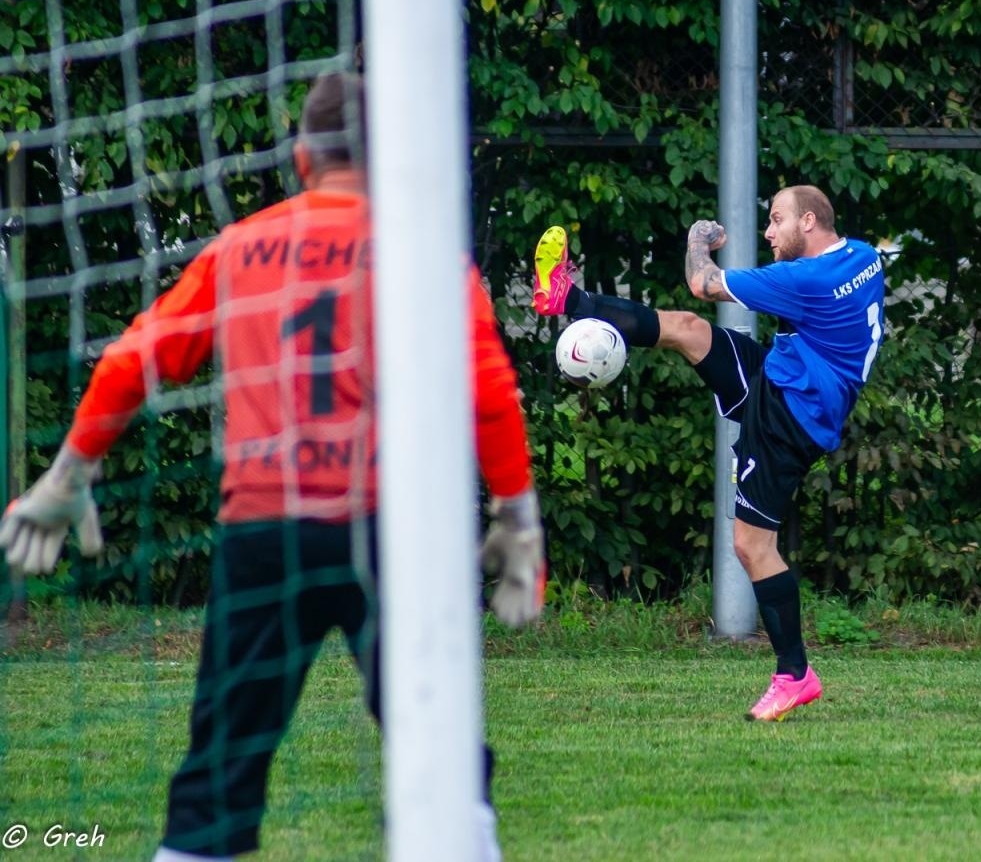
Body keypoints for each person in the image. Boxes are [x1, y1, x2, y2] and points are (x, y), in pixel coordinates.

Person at [0, 73, 546, 860]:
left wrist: (68, 474)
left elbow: (130, 363)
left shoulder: (242, 246)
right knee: (448, 765)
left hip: (265, 529)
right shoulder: (424, 250)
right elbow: (489, 392)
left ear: (300, 158)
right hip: (387, 530)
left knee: (216, 782)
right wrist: (517, 515)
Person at [530, 185, 884, 720]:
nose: (768, 231)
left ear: (809, 222)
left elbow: (703, 282)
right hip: (787, 374)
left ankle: (795, 674)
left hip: (792, 415)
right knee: (689, 332)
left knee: (750, 546)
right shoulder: (863, 256)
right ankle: (568, 300)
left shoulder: (806, 278)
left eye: (777, 219)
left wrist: (701, 240)